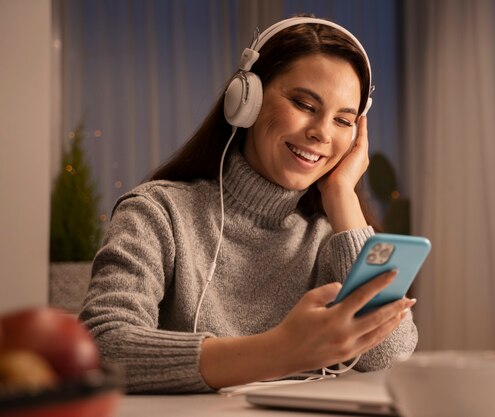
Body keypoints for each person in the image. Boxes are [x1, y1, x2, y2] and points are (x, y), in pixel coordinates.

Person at [79, 16, 417, 394]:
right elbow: (102, 348)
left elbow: (390, 353)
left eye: (343, 120)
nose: (322, 132)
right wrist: (280, 352)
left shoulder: (333, 238)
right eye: (305, 104)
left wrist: (342, 198)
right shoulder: (158, 212)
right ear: (246, 99)